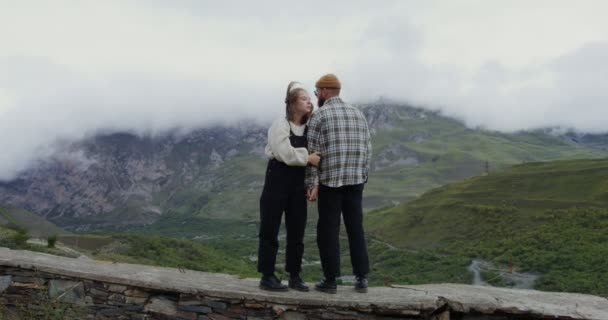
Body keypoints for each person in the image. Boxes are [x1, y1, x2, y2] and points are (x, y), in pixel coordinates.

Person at [306, 74, 372, 294]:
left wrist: (310, 184)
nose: (316, 97)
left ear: (325, 91)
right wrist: (363, 177)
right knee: (356, 228)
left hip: (330, 182)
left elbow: (313, 154)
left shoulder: (319, 116)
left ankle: (330, 280)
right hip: (356, 181)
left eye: (316, 93)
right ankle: (361, 278)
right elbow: (368, 149)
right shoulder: (358, 114)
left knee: (328, 230)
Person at [257, 81, 321, 292]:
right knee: (270, 227)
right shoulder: (280, 125)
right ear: (292, 104)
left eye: (310, 99)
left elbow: (313, 157)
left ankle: (295, 275)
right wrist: (308, 158)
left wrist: (313, 181)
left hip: (297, 183)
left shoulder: (310, 128)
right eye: (304, 99)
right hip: (277, 179)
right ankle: (267, 276)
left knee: (297, 230)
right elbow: (284, 153)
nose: (309, 102)